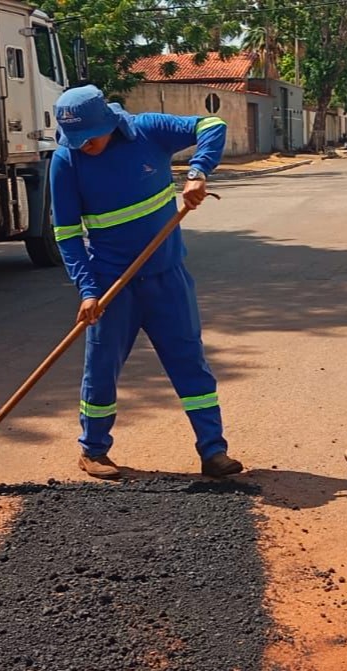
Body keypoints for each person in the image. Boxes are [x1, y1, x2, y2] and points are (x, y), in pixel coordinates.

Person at [48, 85, 243, 480]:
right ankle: (93, 451)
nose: (84, 146)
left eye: (90, 138)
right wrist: (88, 291)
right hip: (111, 285)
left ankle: (213, 451)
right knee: (101, 369)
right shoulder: (66, 161)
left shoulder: (148, 130)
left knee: (190, 363)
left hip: (167, 278)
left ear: (108, 123)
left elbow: (213, 124)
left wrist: (197, 172)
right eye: (76, 140)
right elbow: (67, 234)